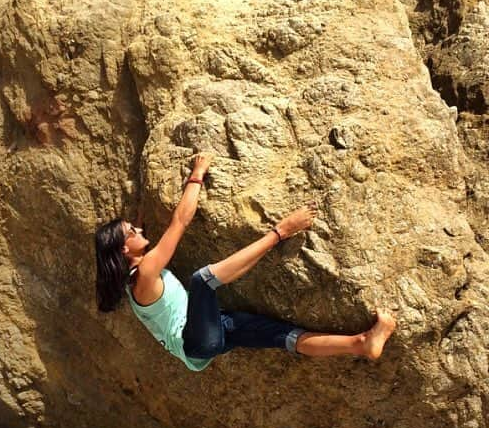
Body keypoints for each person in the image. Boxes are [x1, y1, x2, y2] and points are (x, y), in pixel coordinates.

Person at [94, 152, 397, 371]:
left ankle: (362, 343)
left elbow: (136, 234)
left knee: (285, 337)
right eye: (131, 232)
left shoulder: (131, 283)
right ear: (123, 250)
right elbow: (180, 222)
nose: (139, 230)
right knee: (202, 281)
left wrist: (134, 219)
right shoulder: (146, 271)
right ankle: (281, 232)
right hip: (196, 341)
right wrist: (197, 175)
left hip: (203, 345)